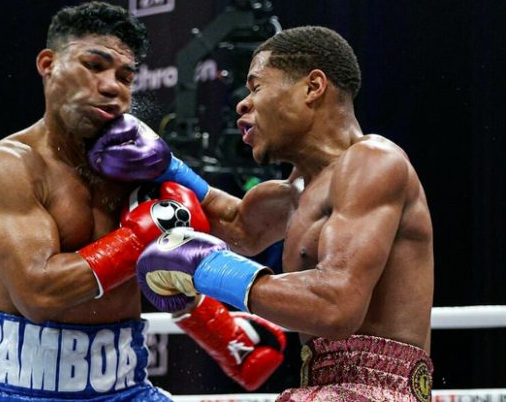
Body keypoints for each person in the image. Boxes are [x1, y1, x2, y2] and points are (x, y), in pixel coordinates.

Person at [0, 1, 286, 401]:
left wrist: (317, 176)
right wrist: (142, 236)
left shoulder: (139, 159)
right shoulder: (7, 166)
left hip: (127, 389)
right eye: (93, 66)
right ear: (48, 65)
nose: (113, 86)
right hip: (14, 392)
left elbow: (243, 229)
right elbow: (38, 294)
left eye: (126, 76)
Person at [90, 25, 435, 401]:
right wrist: (164, 167)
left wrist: (207, 268)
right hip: (320, 387)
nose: (243, 103)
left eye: (257, 87)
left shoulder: (373, 161)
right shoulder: (295, 193)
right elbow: (237, 226)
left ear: (313, 87)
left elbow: (337, 306)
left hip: (377, 391)